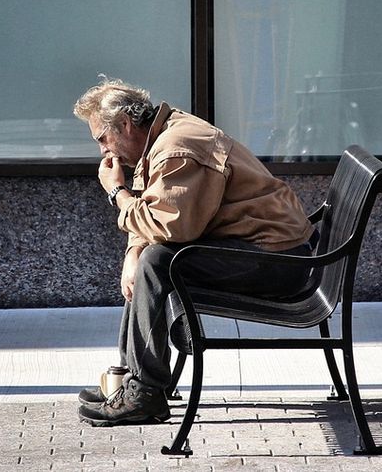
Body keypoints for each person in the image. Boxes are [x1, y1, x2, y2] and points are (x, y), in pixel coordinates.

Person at [73, 77, 316, 427]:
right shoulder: (162, 136)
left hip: (278, 261)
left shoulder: (176, 149)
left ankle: (144, 391)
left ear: (125, 125)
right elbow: (156, 209)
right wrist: (132, 253)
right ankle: (132, 379)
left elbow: (172, 228)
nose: (103, 151)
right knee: (149, 258)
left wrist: (117, 193)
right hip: (268, 249)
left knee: (158, 262)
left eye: (102, 138)